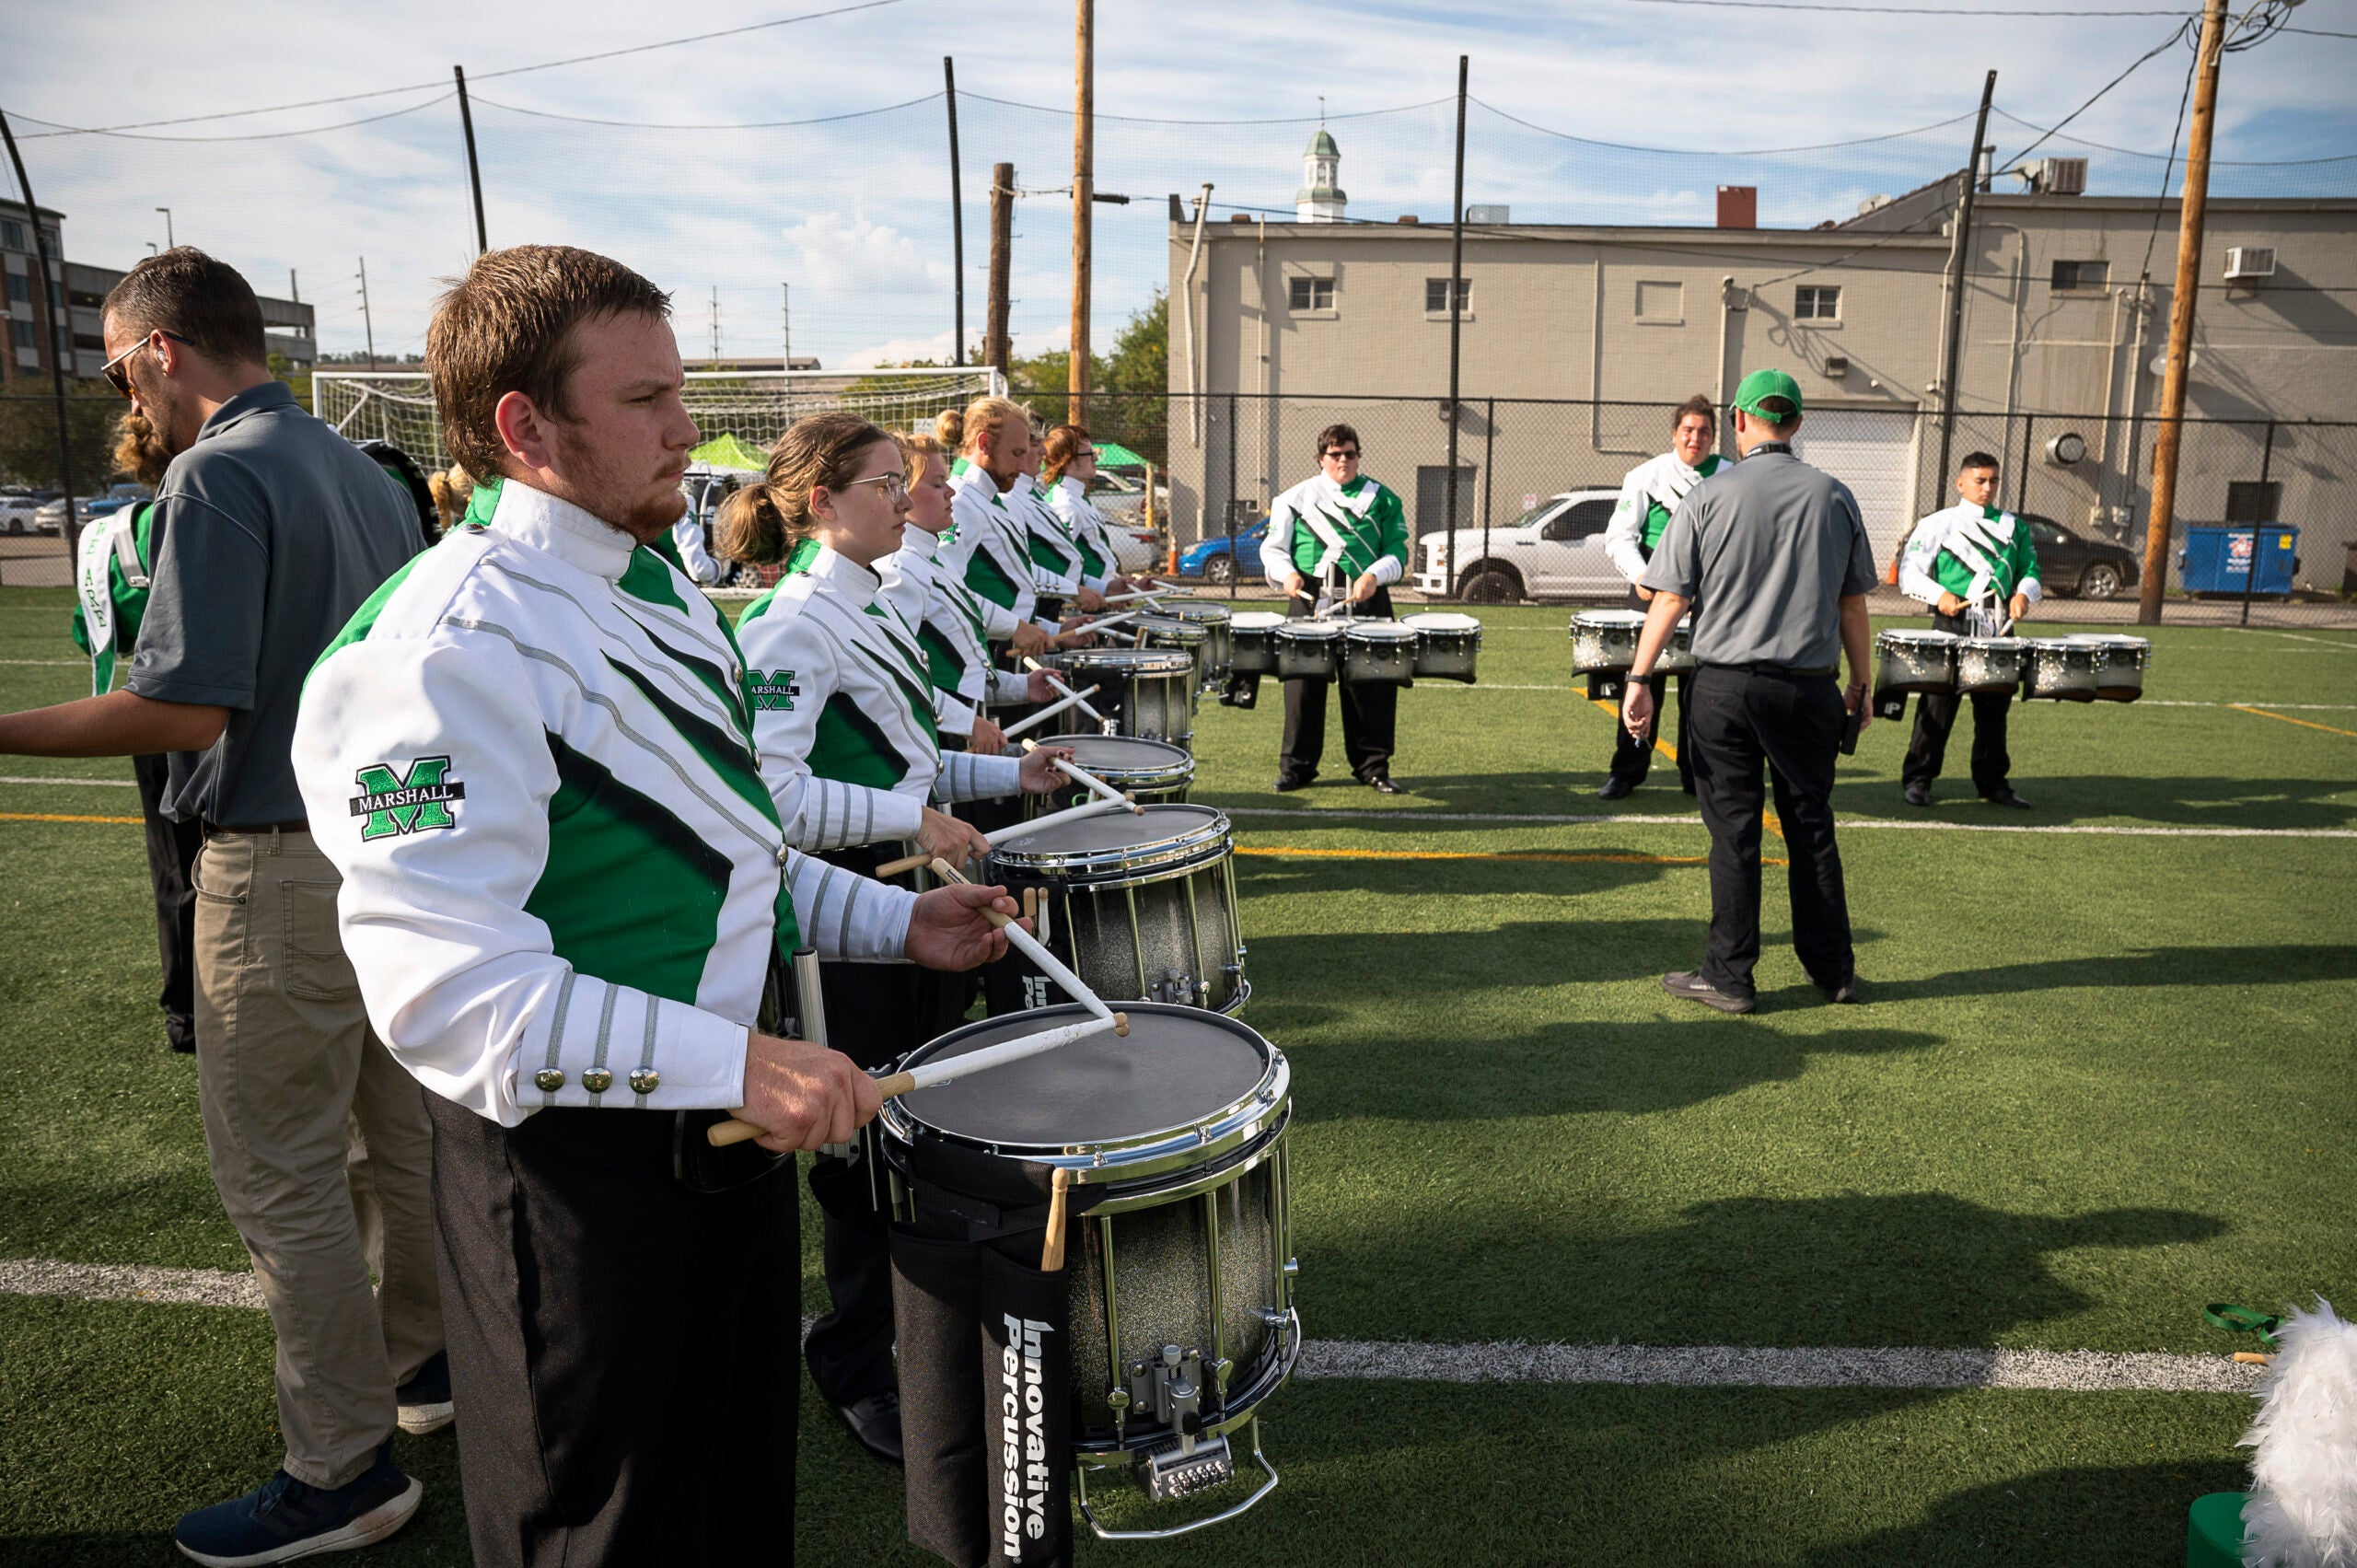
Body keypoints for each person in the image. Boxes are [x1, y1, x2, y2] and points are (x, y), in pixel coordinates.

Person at [291, 245, 1025, 1566]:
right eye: (644, 400)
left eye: (678, 391)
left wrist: (892, 920)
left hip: (724, 1148)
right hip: (582, 1193)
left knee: (732, 1522)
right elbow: (452, 995)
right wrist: (735, 1057)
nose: (688, 427)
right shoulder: (440, 647)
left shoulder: (653, 588)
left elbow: (731, 853)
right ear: (525, 425)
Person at [0, 247, 444, 1562]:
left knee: (285, 1175)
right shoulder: (366, 473)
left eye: (117, 363)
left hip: (282, 855)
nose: (120, 390)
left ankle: (340, 1465)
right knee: (399, 1141)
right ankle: (425, 1371)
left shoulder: (219, 470)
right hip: (391, 848)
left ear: (154, 350)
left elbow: (190, 702)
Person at [724, 413, 1071, 1462]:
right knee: (861, 1157)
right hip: (846, 925)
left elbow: (909, 771)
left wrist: (1014, 775)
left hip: (908, 906)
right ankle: (855, 1360)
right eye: (884, 484)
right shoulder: (789, 629)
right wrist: (903, 822)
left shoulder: (867, 608)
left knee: (918, 1132)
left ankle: (915, 1340)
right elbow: (770, 799)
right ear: (821, 502)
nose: (903, 500)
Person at [1622, 368, 1875, 1016]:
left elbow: (1672, 597)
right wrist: (1863, 682)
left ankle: (1730, 975)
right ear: (1796, 423)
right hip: (1809, 690)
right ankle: (1834, 971)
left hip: (1725, 689)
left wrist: (1640, 677)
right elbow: (1852, 605)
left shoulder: (1708, 496)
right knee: (1811, 829)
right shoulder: (1836, 495)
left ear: (1738, 421)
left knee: (1734, 834)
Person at [71, 411, 204, 1054]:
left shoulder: (126, 535)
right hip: (250, 714)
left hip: (161, 719)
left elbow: (91, 631)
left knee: (176, 869)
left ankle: (188, 1013)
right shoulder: (220, 512)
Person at [1259, 423, 1411, 795]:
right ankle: (1297, 768)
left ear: (1359, 456)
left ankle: (1373, 767)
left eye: (1350, 453)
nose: (1343, 460)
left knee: (1372, 686)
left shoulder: (1383, 498)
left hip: (1367, 593)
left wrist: (1375, 575)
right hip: (1310, 596)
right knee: (1302, 688)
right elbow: (1273, 549)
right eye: (1335, 454)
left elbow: (1398, 550)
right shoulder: (1293, 498)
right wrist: (1287, 576)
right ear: (1321, 458)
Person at [884, 432, 1055, 755]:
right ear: (898, 495)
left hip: (959, 720)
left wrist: (1021, 686)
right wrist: (964, 722)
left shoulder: (932, 560)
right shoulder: (899, 571)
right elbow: (895, 678)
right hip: (935, 734)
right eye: (937, 484)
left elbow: (964, 670)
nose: (951, 492)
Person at [1599, 395, 1727, 799]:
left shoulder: (1730, 476)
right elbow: (1619, 535)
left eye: (1704, 431)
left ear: (1713, 437)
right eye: (1688, 430)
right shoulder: (1644, 475)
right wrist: (1640, 576)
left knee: (1700, 691)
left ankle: (1696, 776)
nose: (1695, 438)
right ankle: (1627, 771)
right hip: (1651, 585)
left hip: (1708, 591)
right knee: (1641, 680)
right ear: (1674, 434)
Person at [1897, 452, 2040, 809]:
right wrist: (1939, 594)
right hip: (1952, 621)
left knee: (1994, 708)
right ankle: (1918, 779)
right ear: (1961, 483)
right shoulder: (1937, 523)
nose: (1987, 487)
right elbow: (1909, 573)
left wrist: (2023, 593)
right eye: (1980, 480)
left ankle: (1993, 783)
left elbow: (2031, 570)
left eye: (1993, 480)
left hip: (1998, 624)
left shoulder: (2015, 527)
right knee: (1937, 704)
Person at [941, 399, 1052, 664]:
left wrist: (1052, 630)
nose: (1024, 467)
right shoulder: (958, 502)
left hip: (1008, 645)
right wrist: (1014, 627)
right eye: (1016, 454)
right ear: (984, 444)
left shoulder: (993, 500)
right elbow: (943, 588)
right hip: (984, 651)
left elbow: (1014, 585)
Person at [1039, 425, 1133, 603]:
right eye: (1089, 454)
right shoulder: (1065, 504)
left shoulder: (1078, 499)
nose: (1095, 459)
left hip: (1102, 593)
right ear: (1068, 460)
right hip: (1088, 602)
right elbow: (1061, 565)